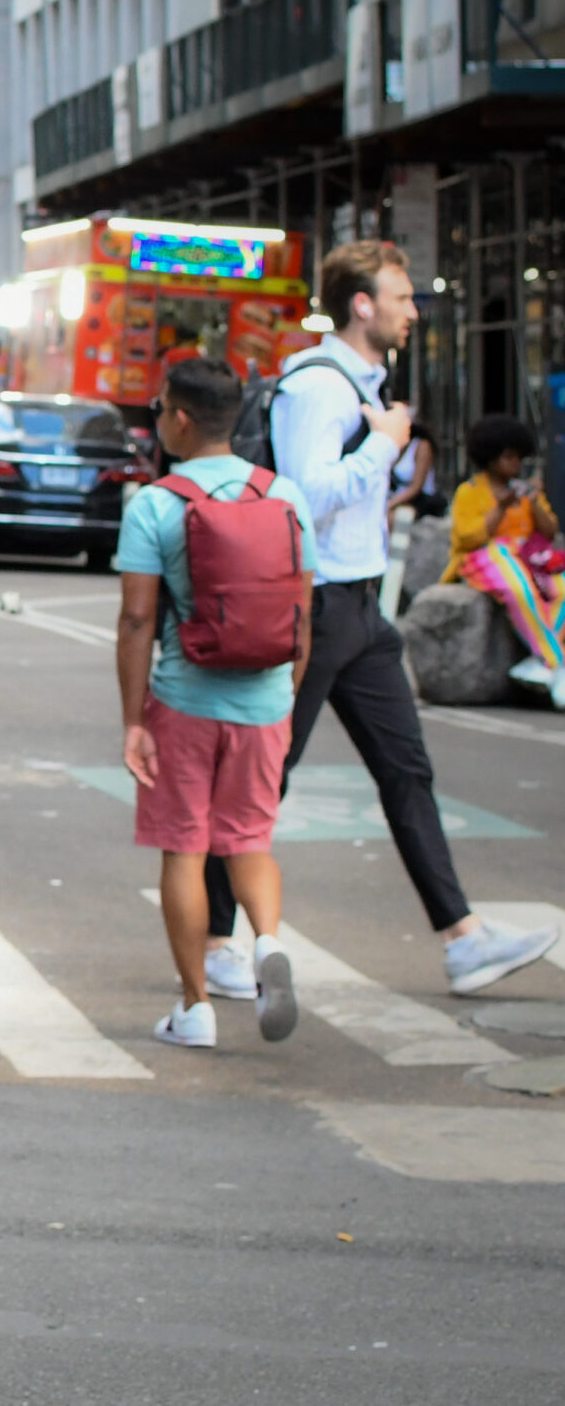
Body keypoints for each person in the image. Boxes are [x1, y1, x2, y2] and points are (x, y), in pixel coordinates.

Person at [205, 241, 558, 998]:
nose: (412, 309)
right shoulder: (320, 386)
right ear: (361, 304)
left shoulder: (367, 384)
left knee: (408, 770)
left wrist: (390, 446)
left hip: (363, 611)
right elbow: (305, 491)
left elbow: (363, 487)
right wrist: (384, 447)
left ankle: (462, 938)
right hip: (313, 609)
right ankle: (212, 941)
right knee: (264, 779)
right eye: (400, 296)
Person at [116, 359, 313, 1048]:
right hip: (263, 702)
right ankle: (264, 944)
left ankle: (195, 1006)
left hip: (185, 702)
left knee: (185, 849)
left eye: (160, 407)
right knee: (250, 842)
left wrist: (134, 719)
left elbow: (138, 620)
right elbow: (302, 615)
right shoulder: (284, 494)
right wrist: (283, 698)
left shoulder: (154, 504)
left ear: (181, 418)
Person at [441, 413, 563, 708]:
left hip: (530, 559)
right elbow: (468, 538)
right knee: (519, 588)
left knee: (561, 588)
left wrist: (534, 503)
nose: (516, 464)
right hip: (487, 558)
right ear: (491, 457)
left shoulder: (527, 492)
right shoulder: (469, 492)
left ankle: (545, 661)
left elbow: (549, 532)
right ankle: (554, 662)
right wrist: (502, 507)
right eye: (509, 457)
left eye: (519, 457)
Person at [387, 419, 441, 519]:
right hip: (396, 496)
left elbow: (416, 487)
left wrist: (389, 504)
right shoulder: (397, 445)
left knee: (395, 516)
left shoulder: (422, 446)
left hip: (421, 500)